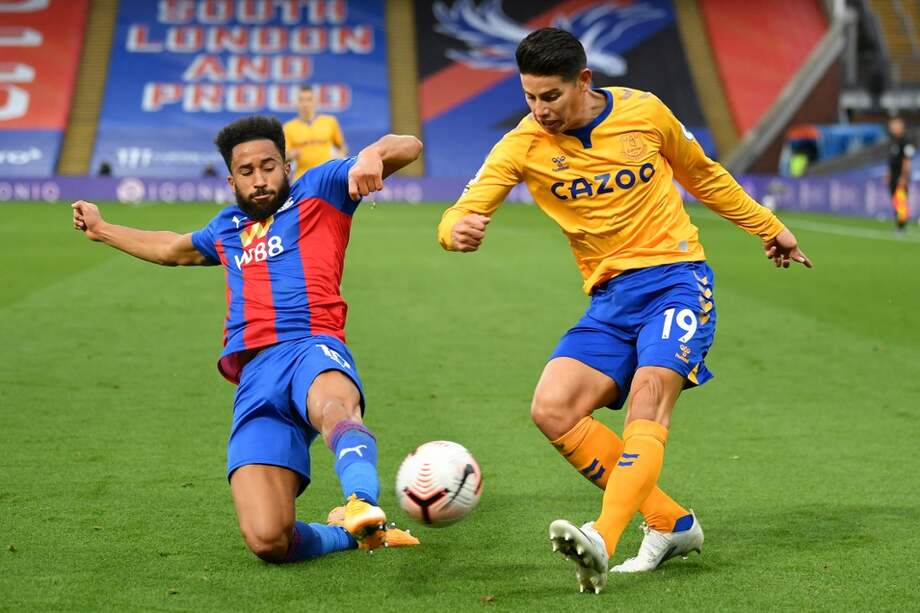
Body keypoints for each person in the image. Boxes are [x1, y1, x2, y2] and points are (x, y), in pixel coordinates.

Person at [437, 28, 812, 594]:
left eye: (551, 97)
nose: (539, 111)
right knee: (552, 408)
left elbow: (704, 175)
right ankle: (671, 524)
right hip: (611, 299)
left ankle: (603, 539)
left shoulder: (644, 113)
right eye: (529, 97)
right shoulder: (521, 145)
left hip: (677, 281)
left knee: (648, 397)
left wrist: (771, 227)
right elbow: (462, 209)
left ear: (584, 81)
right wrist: (453, 231)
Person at [72, 116, 423, 563]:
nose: (260, 180)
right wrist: (102, 230)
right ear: (231, 179)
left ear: (287, 166)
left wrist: (373, 154)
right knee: (268, 540)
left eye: (269, 166)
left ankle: (360, 500)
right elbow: (172, 249)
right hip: (255, 376)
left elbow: (408, 145)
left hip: (311, 345)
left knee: (333, 406)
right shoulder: (226, 228)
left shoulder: (320, 189)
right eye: (247, 171)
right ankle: (351, 533)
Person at [283, 85, 348, 181]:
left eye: (309, 99)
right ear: (296, 103)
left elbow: (342, 147)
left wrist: (340, 158)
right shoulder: (288, 127)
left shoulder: (330, 122)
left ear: (315, 102)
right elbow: (284, 157)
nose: (305, 104)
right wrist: (291, 155)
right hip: (302, 178)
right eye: (301, 100)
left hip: (327, 176)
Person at [886, 117, 914, 233]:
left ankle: (902, 226)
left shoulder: (906, 142)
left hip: (901, 176)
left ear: (901, 127)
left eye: (895, 125)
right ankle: (898, 224)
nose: (892, 128)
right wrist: (888, 173)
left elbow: (907, 161)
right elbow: (892, 160)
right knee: (895, 200)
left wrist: (904, 176)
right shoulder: (893, 141)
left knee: (901, 200)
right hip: (893, 175)